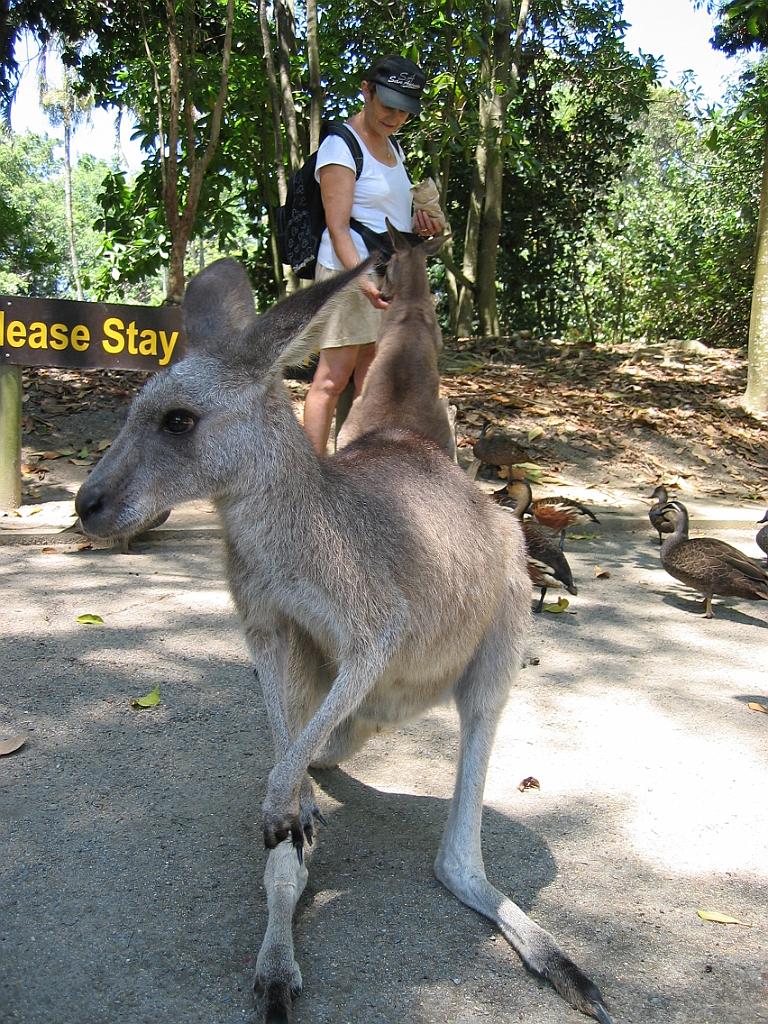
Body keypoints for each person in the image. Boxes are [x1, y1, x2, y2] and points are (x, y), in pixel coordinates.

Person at [301, 54, 444, 456]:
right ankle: (309, 480)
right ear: (366, 90)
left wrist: (421, 224)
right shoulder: (340, 146)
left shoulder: (393, 147)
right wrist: (359, 281)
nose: (396, 117)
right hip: (349, 276)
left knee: (371, 381)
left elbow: (388, 218)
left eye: (405, 111)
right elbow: (338, 226)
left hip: (386, 279)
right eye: (388, 106)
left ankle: (369, 477)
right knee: (331, 380)